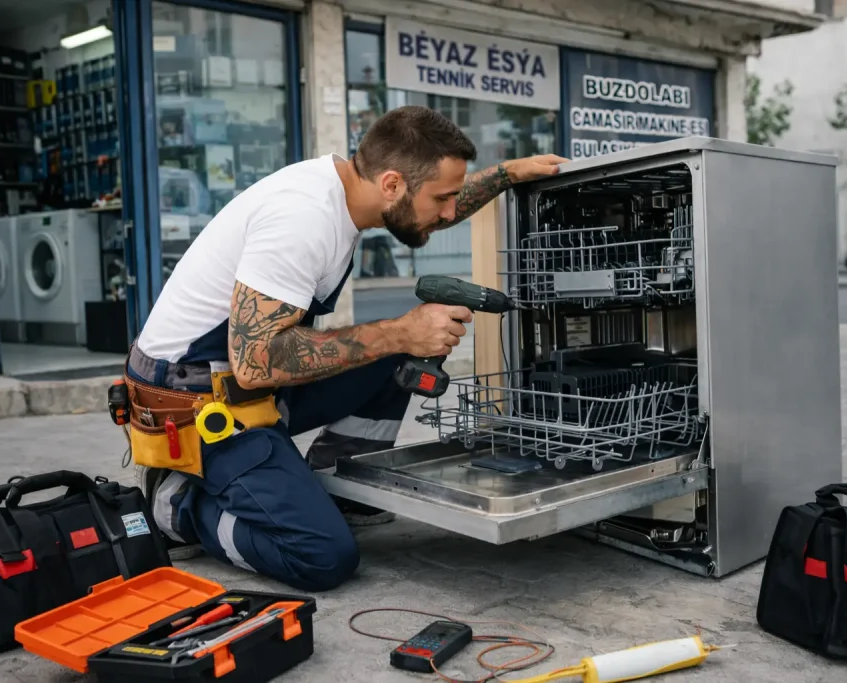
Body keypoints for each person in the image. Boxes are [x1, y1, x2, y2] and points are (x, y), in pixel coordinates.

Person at [125, 105, 567, 592]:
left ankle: (333, 484)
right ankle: (180, 507)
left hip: (241, 387)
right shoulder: (303, 219)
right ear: (393, 184)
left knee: (398, 355)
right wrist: (401, 331)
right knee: (321, 556)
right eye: (442, 196)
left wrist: (508, 173)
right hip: (196, 404)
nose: (448, 211)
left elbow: (427, 214)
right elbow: (255, 364)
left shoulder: (356, 192)